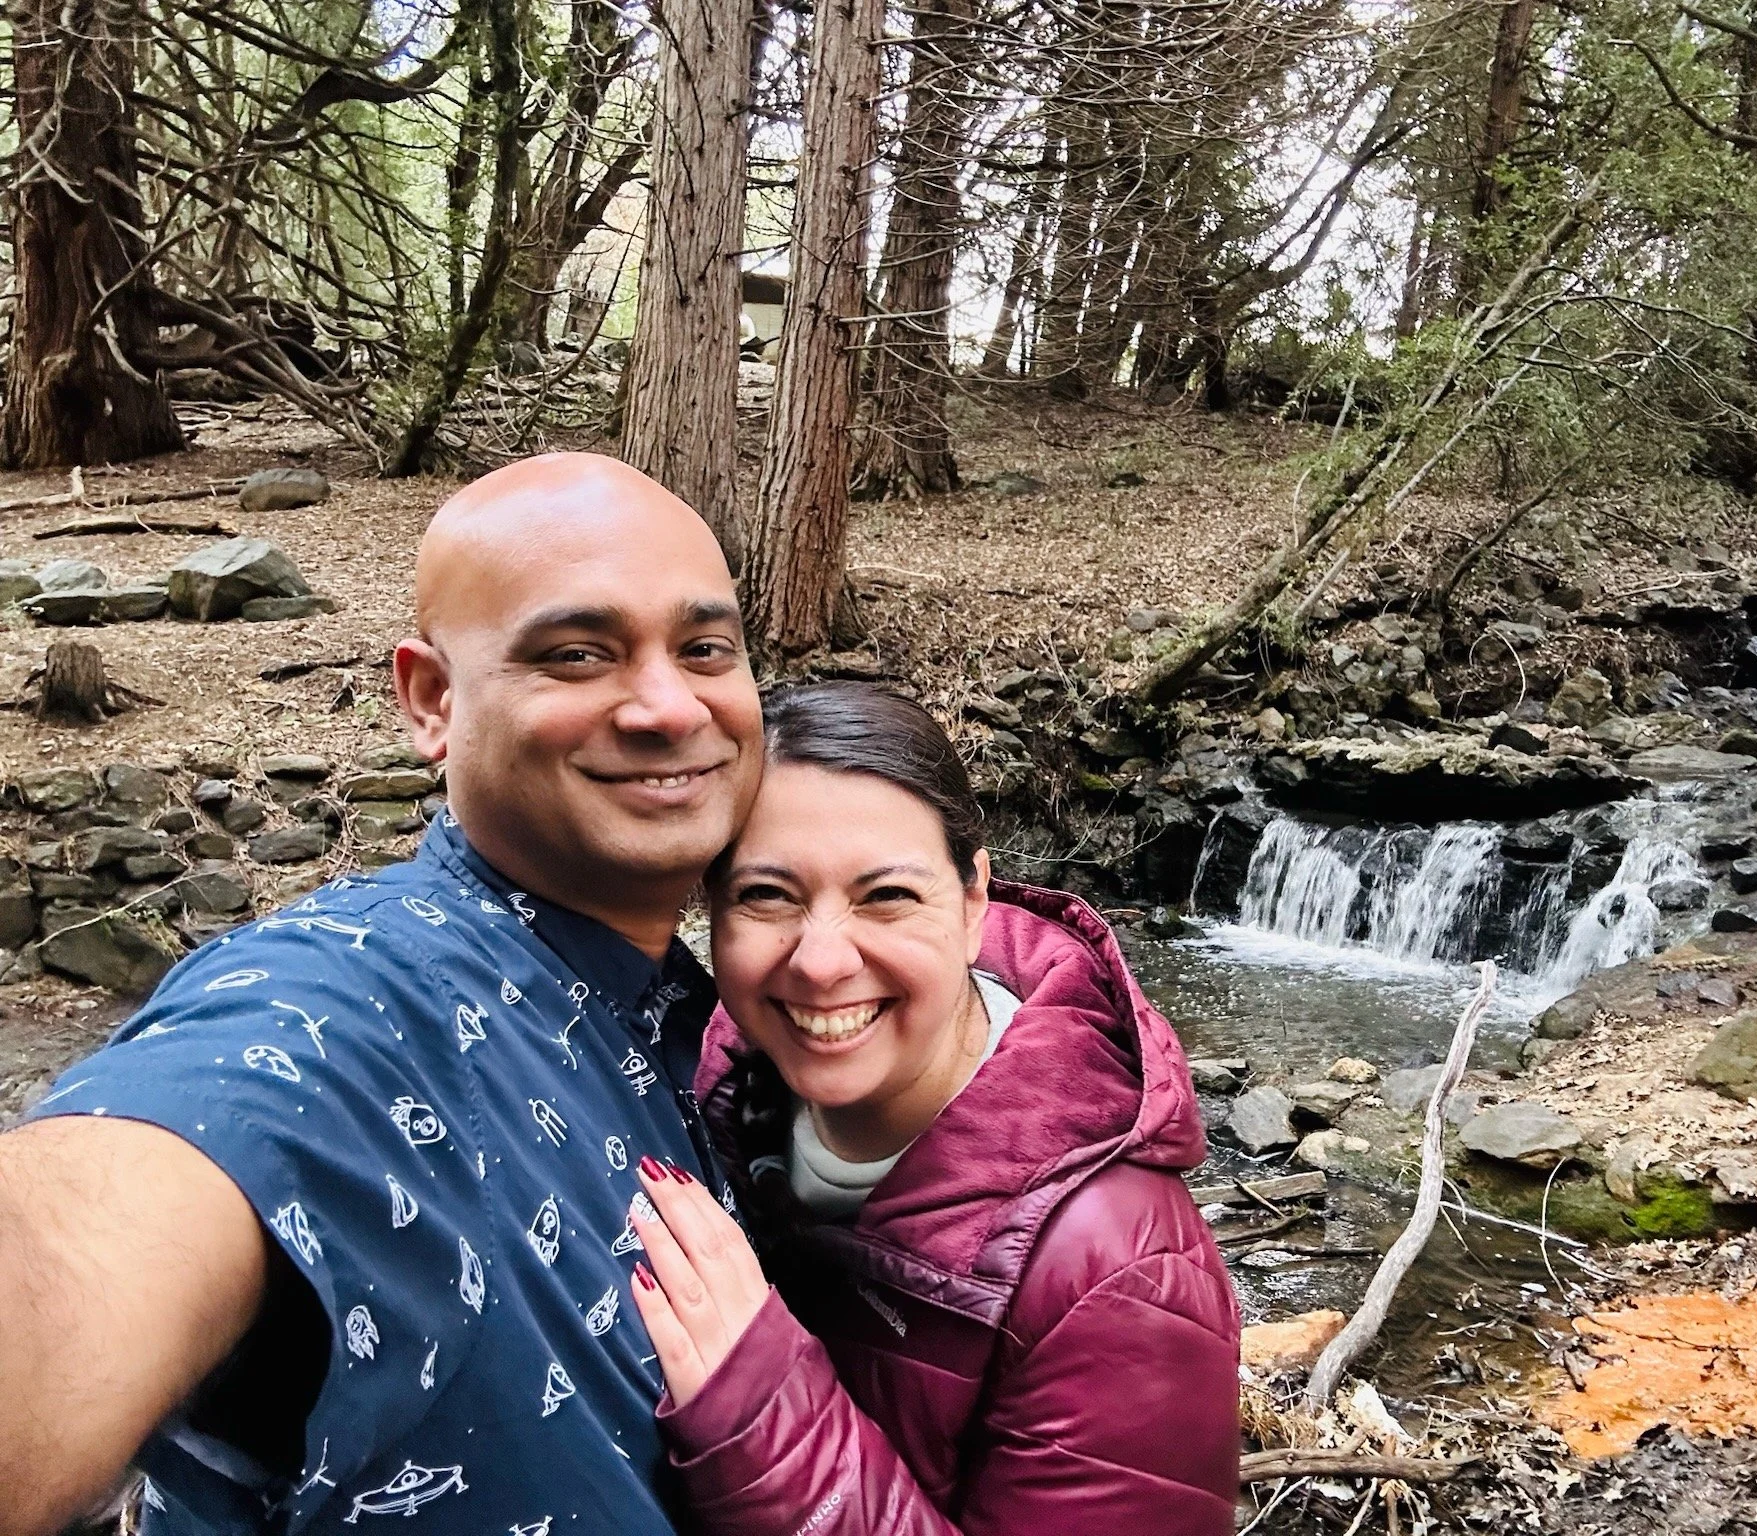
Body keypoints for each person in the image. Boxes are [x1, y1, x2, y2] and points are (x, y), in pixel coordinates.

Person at [0, 453, 765, 1534]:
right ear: (432, 700)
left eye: (703, 649)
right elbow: (99, 1227)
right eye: (577, 654)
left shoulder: (731, 1019)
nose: (664, 704)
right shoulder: (359, 1001)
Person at [620, 683, 1241, 1534]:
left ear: (975, 896)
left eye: (887, 897)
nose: (823, 962)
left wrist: (760, 1411)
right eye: (766, 896)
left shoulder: (1114, 1270)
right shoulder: (709, 1080)